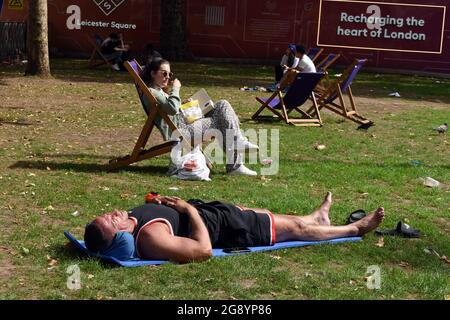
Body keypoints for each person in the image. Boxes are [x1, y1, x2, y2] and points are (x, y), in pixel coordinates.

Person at [84, 192, 385, 263]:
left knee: (271, 216)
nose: (112, 212)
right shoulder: (150, 237)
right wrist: (188, 210)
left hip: (213, 213)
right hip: (223, 230)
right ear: (119, 236)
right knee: (293, 230)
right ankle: (353, 229)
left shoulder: (132, 218)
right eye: (111, 221)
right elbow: (202, 251)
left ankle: (317, 218)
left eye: (106, 214)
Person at [140, 58, 259, 176]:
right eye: (164, 73)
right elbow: (172, 109)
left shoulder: (158, 91)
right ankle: (235, 163)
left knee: (222, 104)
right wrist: (175, 89)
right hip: (180, 130)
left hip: (184, 122)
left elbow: (171, 108)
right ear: (153, 73)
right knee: (219, 122)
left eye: (169, 74)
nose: (168, 77)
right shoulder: (152, 92)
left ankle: (237, 144)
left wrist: (184, 104)